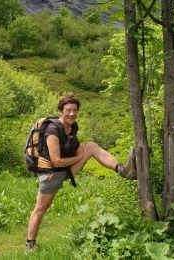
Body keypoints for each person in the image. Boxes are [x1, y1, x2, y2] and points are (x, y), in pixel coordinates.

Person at [26, 94, 136, 249]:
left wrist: (79, 153)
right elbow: (56, 160)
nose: (72, 113)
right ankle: (30, 244)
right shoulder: (52, 129)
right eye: (68, 110)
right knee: (40, 209)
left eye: (75, 110)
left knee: (90, 146)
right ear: (60, 111)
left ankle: (123, 169)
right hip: (51, 174)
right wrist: (78, 157)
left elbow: (71, 149)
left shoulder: (72, 127)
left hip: (65, 169)